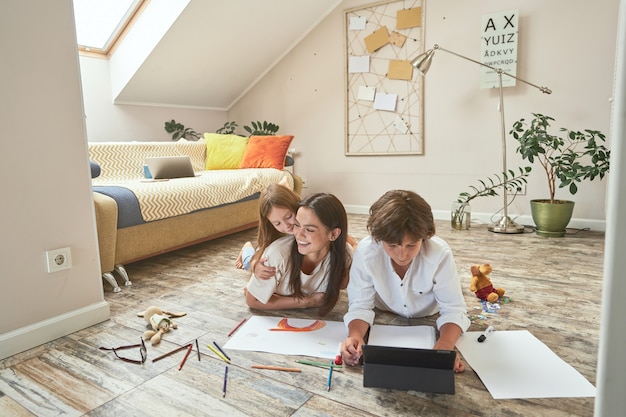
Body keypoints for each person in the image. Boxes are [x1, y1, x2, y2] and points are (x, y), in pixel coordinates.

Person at [341, 190, 470, 372]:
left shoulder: (439, 254)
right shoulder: (366, 252)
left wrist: (445, 345)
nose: (402, 255)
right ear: (379, 239)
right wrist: (355, 336)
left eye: (411, 245)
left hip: (428, 315)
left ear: (424, 237)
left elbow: (453, 309)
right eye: (392, 245)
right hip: (383, 313)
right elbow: (360, 305)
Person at [244, 192, 353, 316]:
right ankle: (247, 247)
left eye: (309, 229)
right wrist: (308, 301)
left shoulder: (344, 254)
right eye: (297, 225)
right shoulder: (277, 255)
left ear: (333, 234)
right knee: (249, 260)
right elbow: (252, 300)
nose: (298, 234)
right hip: (266, 256)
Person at [235, 181, 300, 280]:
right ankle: (246, 247)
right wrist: (255, 266)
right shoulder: (272, 234)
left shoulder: (305, 213)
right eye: (277, 223)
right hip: (260, 252)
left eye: (288, 216)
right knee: (251, 263)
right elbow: (258, 259)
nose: (286, 226)